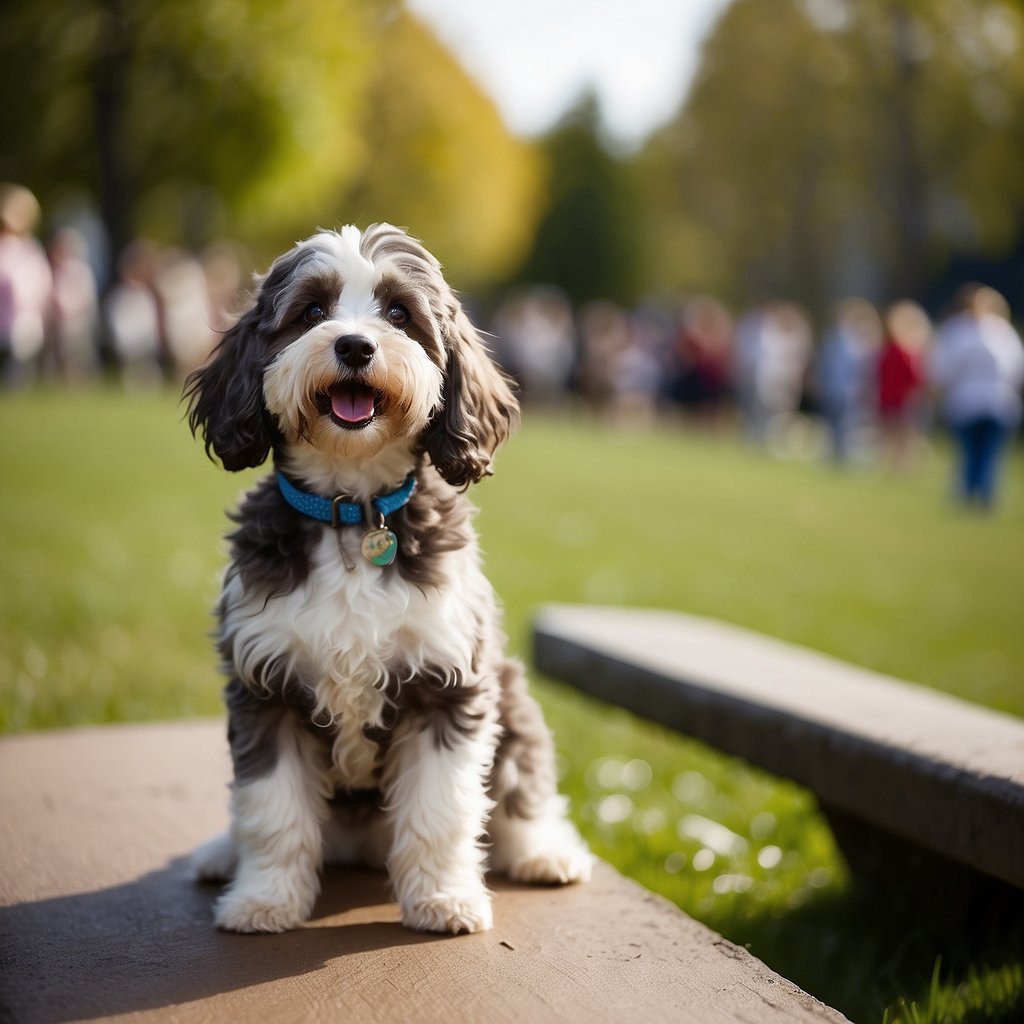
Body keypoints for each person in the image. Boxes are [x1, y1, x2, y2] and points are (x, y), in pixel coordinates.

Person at [928, 285, 1024, 508]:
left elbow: (942, 369)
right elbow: (1016, 369)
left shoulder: (956, 330)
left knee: (969, 452)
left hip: (965, 399)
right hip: (998, 399)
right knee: (989, 452)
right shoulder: (1003, 331)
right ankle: (985, 493)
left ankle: (969, 492)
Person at [815, 298, 882, 464]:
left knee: (848, 424)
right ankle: (836, 454)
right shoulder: (836, 337)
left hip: (851, 389)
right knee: (835, 422)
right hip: (835, 387)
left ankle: (844, 456)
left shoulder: (859, 338)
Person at [877, 300, 930, 472]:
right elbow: (915, 377)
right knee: (905, 435)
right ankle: (903, 466)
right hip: (903, 398)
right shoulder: (905, 352)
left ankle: (894, 465)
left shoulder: (885, 350)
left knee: (892, 434)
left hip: (887, 397)